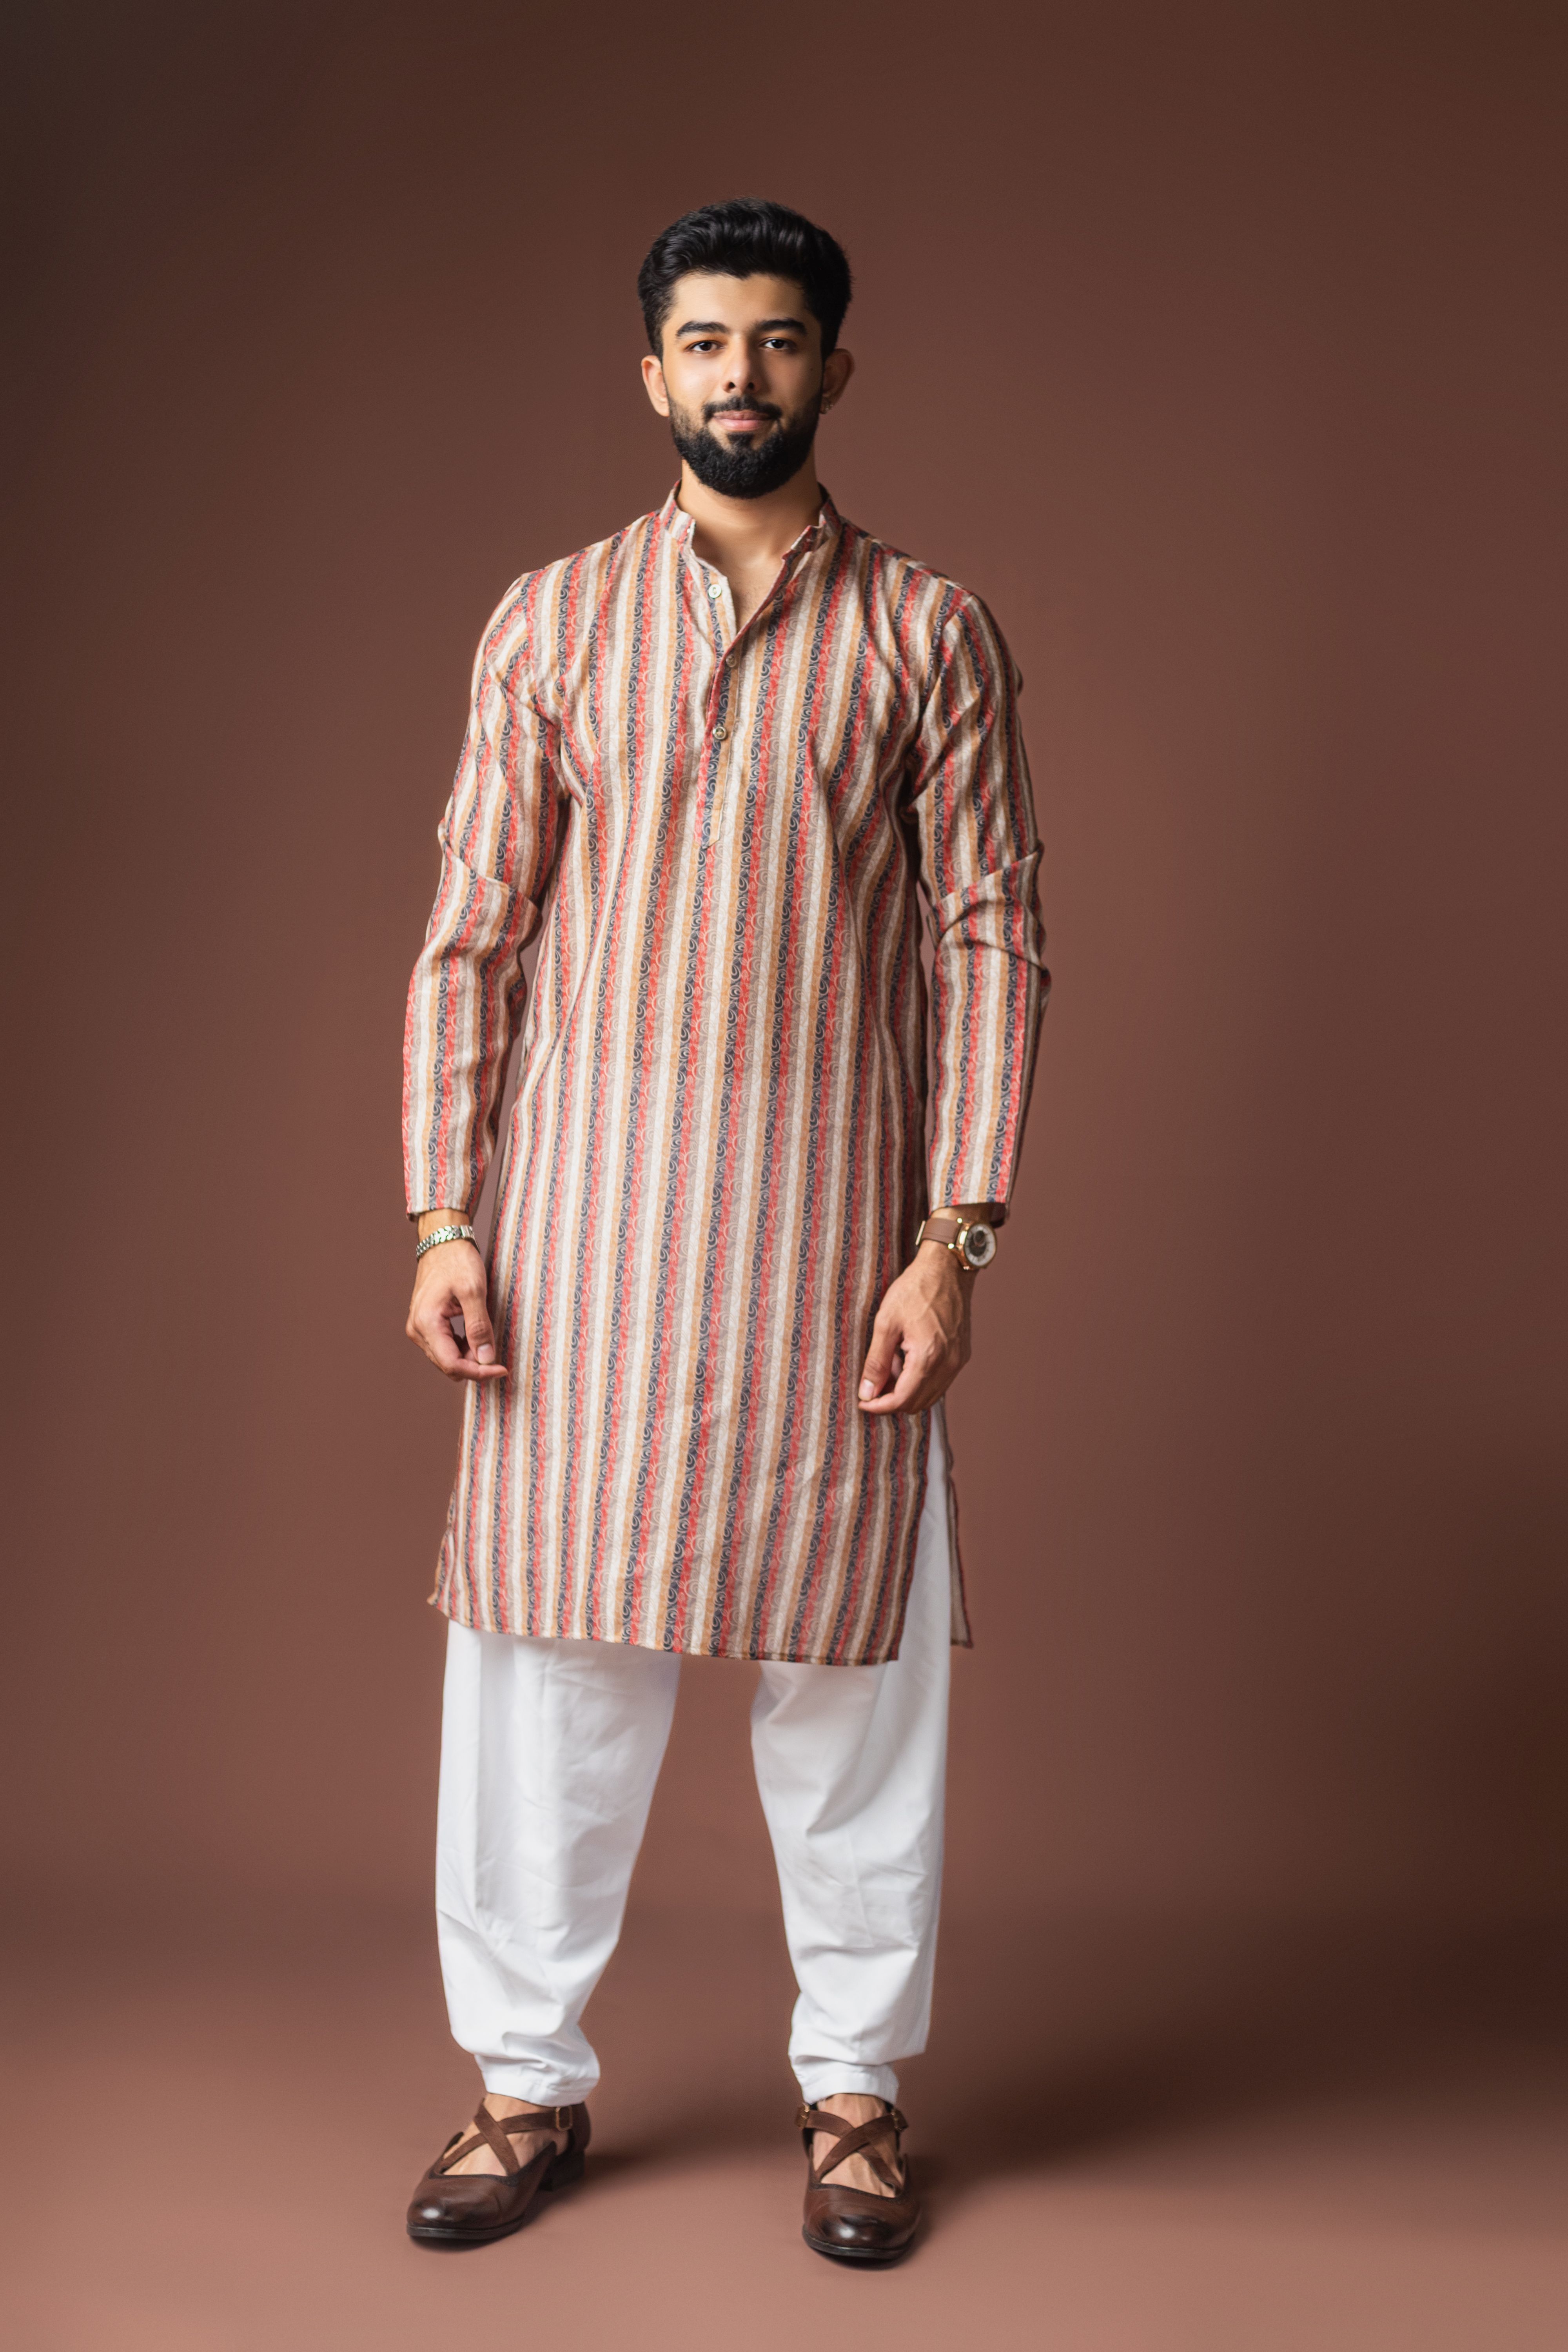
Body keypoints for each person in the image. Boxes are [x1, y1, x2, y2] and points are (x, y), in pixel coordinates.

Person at [400, 197, 1048, 2265]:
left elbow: (991, 937)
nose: (740, 377)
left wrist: (955, 1239)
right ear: (652, 373)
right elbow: (474, 932)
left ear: (834, 367)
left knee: (852, 1689)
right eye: (704, 342)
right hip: (580, 1238)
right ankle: (524, 2084)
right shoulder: (550, 622)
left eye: (777, 341)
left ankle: (854, 2096)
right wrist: (443, 1213)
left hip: (832, 1247)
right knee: (545, 1687)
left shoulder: (928, 633)